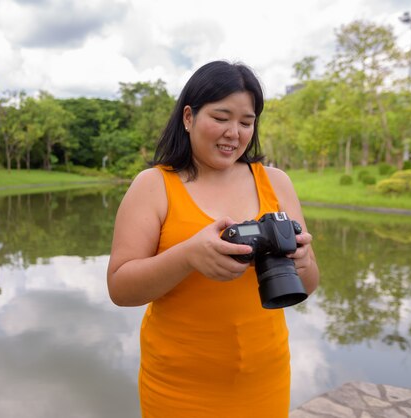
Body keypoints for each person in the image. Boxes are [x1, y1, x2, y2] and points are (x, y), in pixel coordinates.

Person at [106, 60, 320, 417]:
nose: (233, 132)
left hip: (265, 376)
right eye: (221, 118)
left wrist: (304, 260)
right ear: (188, 117)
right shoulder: (154, 185)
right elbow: (120, 288)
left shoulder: (276, 181)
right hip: (179, 386)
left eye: (246, 122)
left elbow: (308, 284)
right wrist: (188, 256)